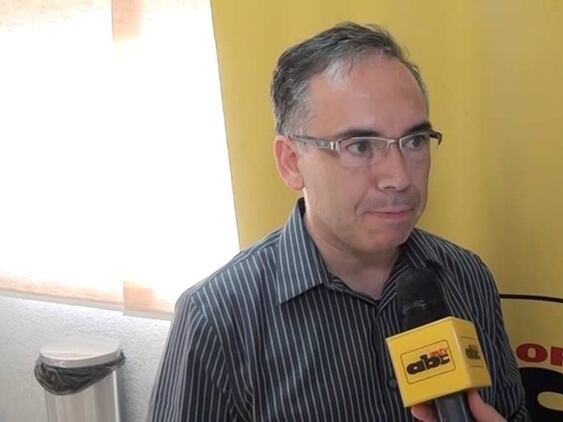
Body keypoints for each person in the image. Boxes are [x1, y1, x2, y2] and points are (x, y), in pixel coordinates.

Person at [147, 22, 529, 422]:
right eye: (360, 146)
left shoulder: (467, 276)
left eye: (415, 141)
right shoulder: (215, 318)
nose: (399, 177)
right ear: (291, 162)